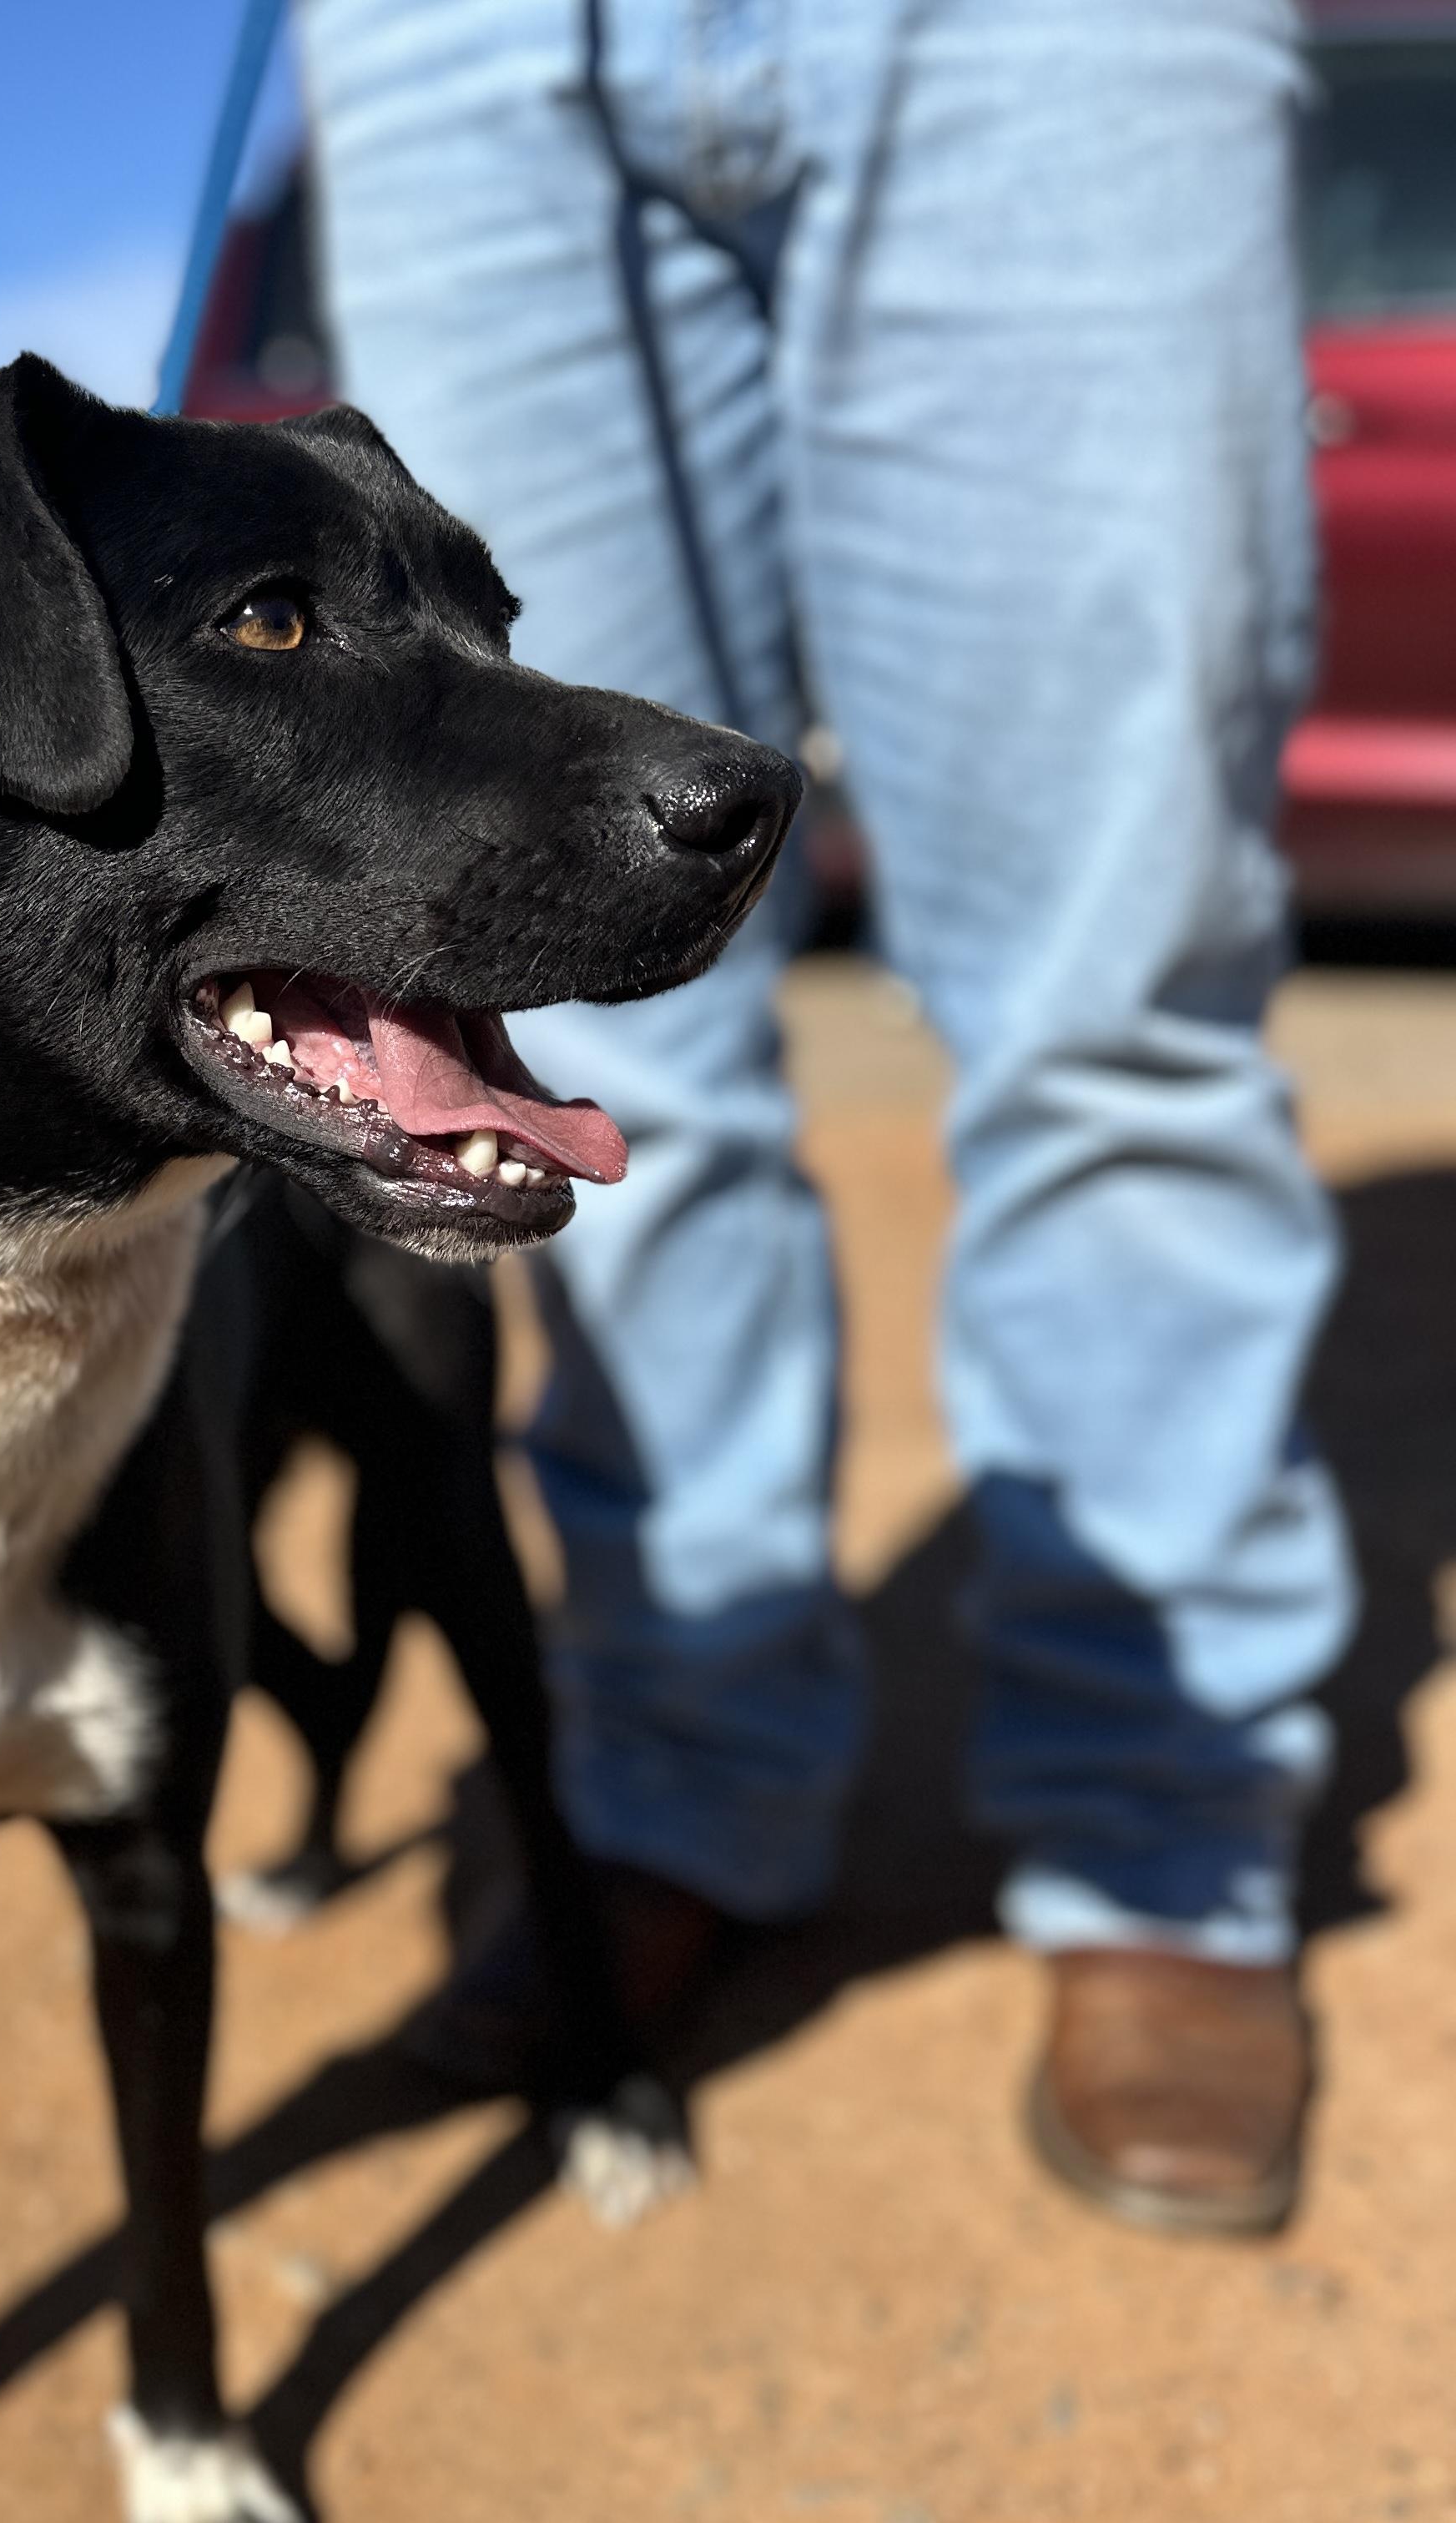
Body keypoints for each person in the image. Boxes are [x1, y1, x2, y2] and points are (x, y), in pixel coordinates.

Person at [296, 0, 1352, 2234]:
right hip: (467, 45)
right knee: (564, 997)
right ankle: (684, 1779)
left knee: (1122, 982)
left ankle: (1159, 1825)